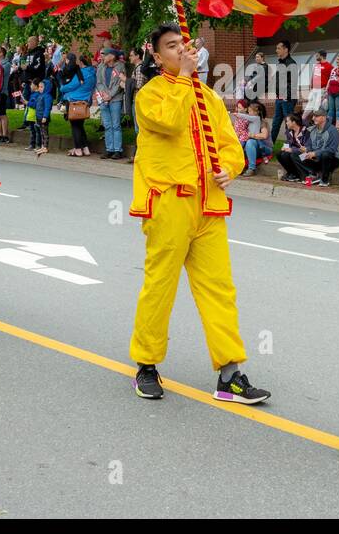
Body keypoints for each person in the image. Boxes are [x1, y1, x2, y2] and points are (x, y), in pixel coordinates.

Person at [128, 22, 270, 405]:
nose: (180, 51)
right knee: (160, 286)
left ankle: (230, 374)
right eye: (171, 47)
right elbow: (170, 122)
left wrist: (230, 167)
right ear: (157, 56)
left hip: (209, 204)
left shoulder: (207, 96)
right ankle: (146, 364)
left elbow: (229, 142)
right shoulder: (150, 95)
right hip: (169, 200)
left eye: (183, 45)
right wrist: (186, 79)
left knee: (219, 289)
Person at [276, 110, 339, 186]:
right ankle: (309, 175)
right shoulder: (312, 130)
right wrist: (307, 149)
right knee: (296, 155)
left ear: (323, 118)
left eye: (316, 116)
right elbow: (310, 145)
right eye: (313, 116)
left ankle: (324, 179)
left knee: (326, 154)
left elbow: (332, 149)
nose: (313, 118)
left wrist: (315, 153)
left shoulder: (333, 131)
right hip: (314, 157)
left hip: (329, 160)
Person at [57, 52, 92, 156]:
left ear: (81, 62)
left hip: (74, 101)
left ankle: (77, 149)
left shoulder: (83, 72)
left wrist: (62, 87)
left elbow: (69, 86)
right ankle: (85, 148)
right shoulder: (92, 73)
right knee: (80, 125)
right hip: (85, 101)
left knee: (75, 125)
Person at [96, 47, 126, 159]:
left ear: (112, 56)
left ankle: (118, 150)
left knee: (116, 125)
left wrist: (110, 95)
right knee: (107, 125)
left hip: (115, 99)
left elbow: (119, 83)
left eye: (105, 54)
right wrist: (103, 94)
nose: (102, 56)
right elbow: (98, 82)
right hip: (103, 98)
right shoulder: (100, 67)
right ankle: (109, 149)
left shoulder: (120, 66)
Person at [269, 39, 298, 143]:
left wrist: (287, 97)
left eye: (279, 48)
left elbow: (293, 83)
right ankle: (269, 147)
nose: (276, 50)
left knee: (289, 124)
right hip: (279, 99)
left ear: (286, 49)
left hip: (287, 100)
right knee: (275, 123)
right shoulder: (280, 63)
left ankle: (290, 146)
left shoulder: (291, 63)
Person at [240, 102, 271, 176]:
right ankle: (239, 167)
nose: (249, 113)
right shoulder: (248, 121)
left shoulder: (262, 121)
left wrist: (252, 135)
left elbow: (264, 135)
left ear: (257, 112)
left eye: (250, 111)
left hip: (264, 147)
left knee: (250, 142)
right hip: (252, 147)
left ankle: (251, 168)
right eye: (249, 111)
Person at [277, 113, 307, 182]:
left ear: (294, 122)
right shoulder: (290, 131)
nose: (286, 123)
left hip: (306, 155)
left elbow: (307, 148)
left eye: (287, 121)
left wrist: (292, 149)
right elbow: (288, 142)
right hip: (295, 153)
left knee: (288, 155)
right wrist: (284, 147)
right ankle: (292, 173)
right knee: (280, 153)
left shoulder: (306, 131)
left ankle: (296, 174)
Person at [303, 50, 332, 121]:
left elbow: (330, 79)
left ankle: (315, 123)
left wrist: (326, 90)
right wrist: (311, 86)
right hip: (314, 90)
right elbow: (313, 76)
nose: (316, 57)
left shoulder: (329, 66)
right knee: (308, 107)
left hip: (322, 90)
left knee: (317, 108)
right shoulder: (316, 65)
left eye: (317, 55)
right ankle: (302, 120)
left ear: (322, 56)